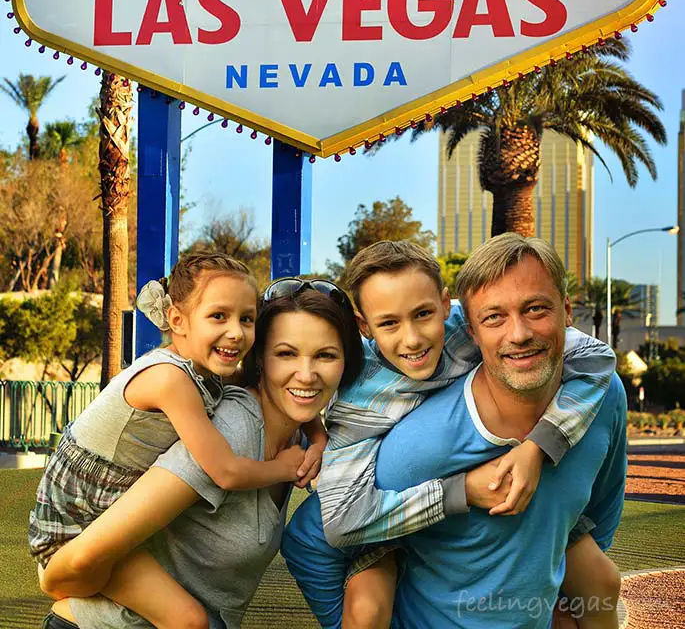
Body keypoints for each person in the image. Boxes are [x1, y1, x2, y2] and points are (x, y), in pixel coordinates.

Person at [283, 237, 622, 629]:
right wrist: (460, 491)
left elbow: (596, 357)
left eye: (424, 314)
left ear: (446, 306)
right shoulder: (362, 407)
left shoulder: (474, 324)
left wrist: (538, 447)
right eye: (389, 323)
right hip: (399, 517)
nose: (412, 338)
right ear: (365, 327)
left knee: (601, 579)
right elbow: (338, 523)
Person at [39, 277, 364, 629]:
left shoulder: (297, 438)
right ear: (259, 360)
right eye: (285, 353)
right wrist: (54, 578)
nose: (306, 374)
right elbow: (77, 560)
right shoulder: (232, 432)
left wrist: (318, 438)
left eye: (326, 355)